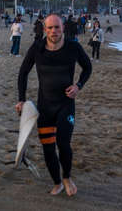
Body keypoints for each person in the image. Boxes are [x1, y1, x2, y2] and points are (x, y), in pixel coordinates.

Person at [15, 14, 92, 196]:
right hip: (45, 106)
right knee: (48, 146)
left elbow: (87, 67)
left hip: (66, 105)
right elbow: (23, 72)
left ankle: (66, 177)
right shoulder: (37, 48)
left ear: (63, 27)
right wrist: (21, 99)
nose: (53, 31)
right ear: (44, 29)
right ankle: (57, 182)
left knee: (63, 144)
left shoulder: (73, 46)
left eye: (56, 27)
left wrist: (78, 86)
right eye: (49, 28)